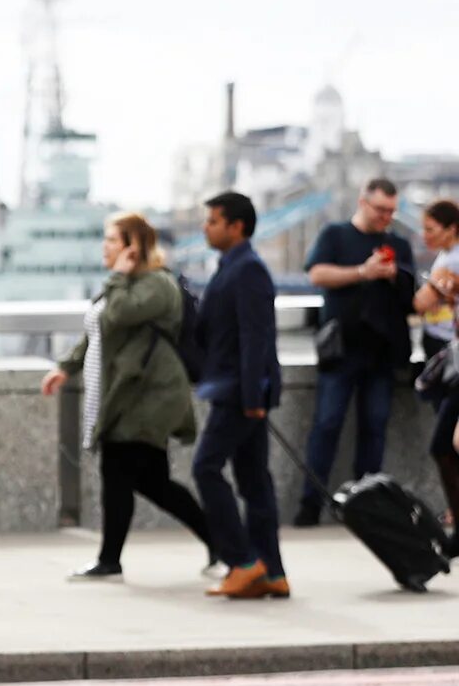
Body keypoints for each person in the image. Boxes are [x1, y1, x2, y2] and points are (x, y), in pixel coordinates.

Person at [41, 212, 214, 579]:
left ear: (133, 246)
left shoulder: (155, 285)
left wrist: (119, 274)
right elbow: (97, 333)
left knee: (135, 478)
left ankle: (221, 543)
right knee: (138, 480)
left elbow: (117, 315)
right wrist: (65, 367)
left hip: (148, 397)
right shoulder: (124, 283)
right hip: (126, 396)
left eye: (112, 241)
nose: (104, 248)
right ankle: (114, 559)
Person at [295, 178, 416, 525]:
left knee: (374, 428)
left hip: (382, 352)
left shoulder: (399, 244)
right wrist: (363, 272)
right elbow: (317, 274)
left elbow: (411, 294)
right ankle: (310, 504)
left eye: (392, 211)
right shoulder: (334, 235)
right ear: (363, 202)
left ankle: (366, 508)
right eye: (381, 210)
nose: (386, 218)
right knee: (326, 425)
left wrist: (394, 276)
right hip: (341, 349)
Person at [193, 192, 288, 600]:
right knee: (253, 482)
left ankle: (243, 561)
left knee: (206, 468)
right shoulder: (231, 267)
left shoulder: (247, 270)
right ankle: (272, 572)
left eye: (213, 221)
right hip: (240, 389)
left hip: (239, 392)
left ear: (236, 226)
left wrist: (252, 396)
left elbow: (256, 338)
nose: (205, 227)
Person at [411, 198, 459, 539]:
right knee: (445, 444)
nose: (424, 236)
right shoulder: (446, 258)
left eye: (430, 229)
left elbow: (421, 302)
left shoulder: (452, 261)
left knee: (446, 443)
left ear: (451, 229)